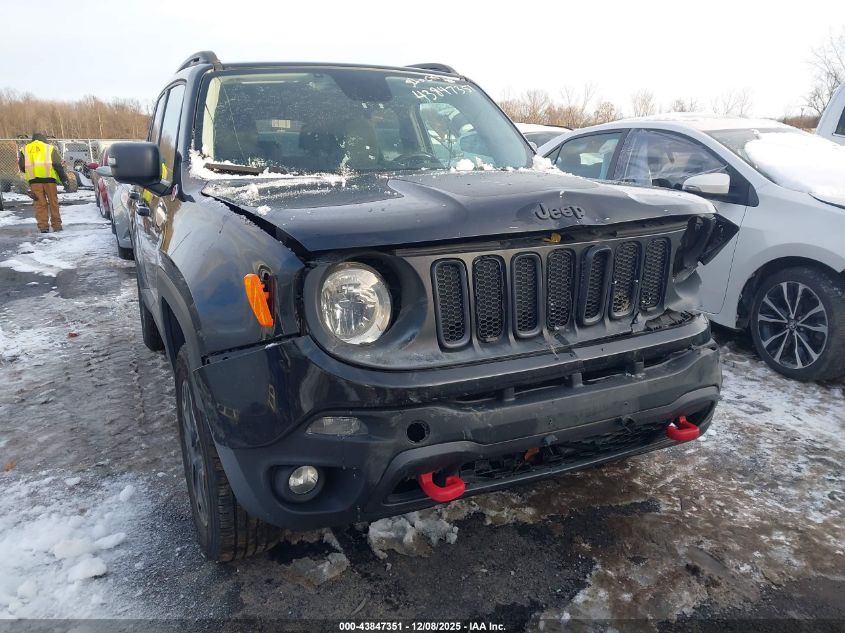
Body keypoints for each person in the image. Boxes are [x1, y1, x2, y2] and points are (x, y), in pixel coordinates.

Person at [18, 132, 67, 233]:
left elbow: (22, 166)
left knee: (40, 204)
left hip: (34, 181)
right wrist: (64, 179)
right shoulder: (49, 148)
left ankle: (43, 227)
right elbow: (57, 165)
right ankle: (57, 226)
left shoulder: (25, 149)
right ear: (44, 139)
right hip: (49, 180)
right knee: (53, 203)